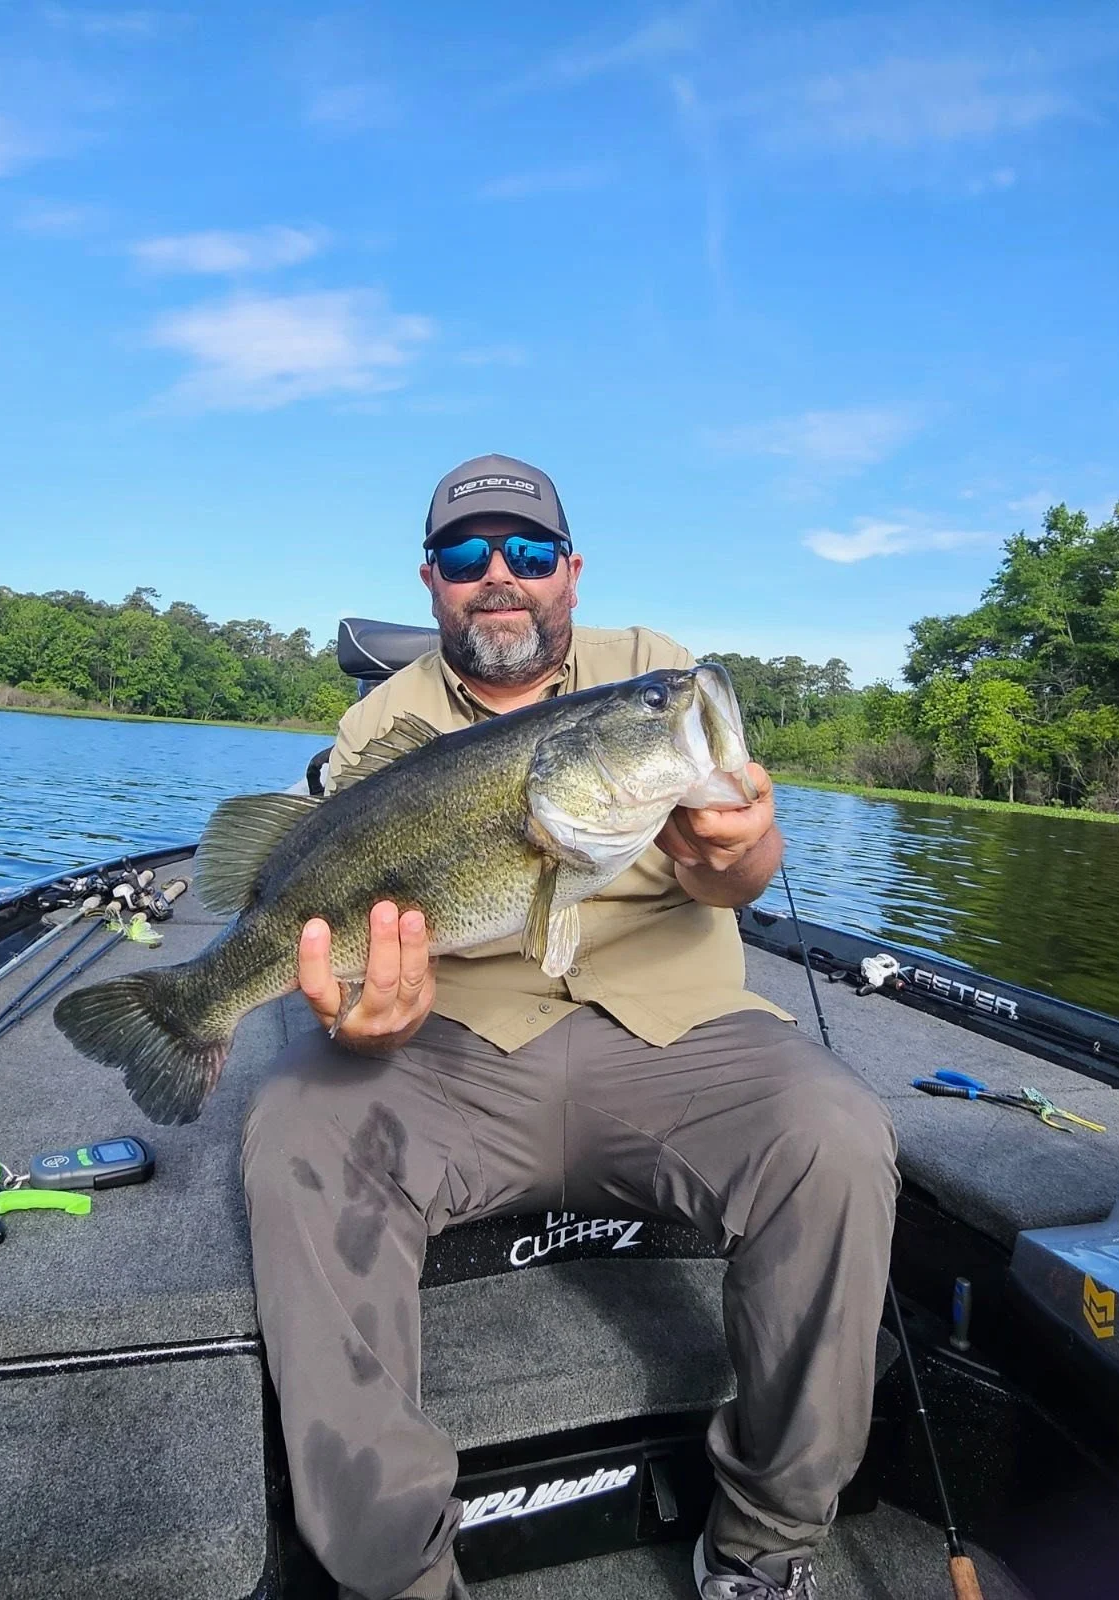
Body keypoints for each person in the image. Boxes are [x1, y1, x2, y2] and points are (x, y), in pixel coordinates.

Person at [241, 454, 899, 1600]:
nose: (501, 577)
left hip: (674, 1035)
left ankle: (765, 1541)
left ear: (572, 572)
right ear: (433, 581)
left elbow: (739, 862)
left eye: (530, 552)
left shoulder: (656, 679)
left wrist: (741, 859)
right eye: (466, 556)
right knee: (296, 1127)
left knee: (833, 1131)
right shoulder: (377, 729)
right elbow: (335, 931)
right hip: (447, 1050)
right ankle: (396, 1577)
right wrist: (360, 1021)